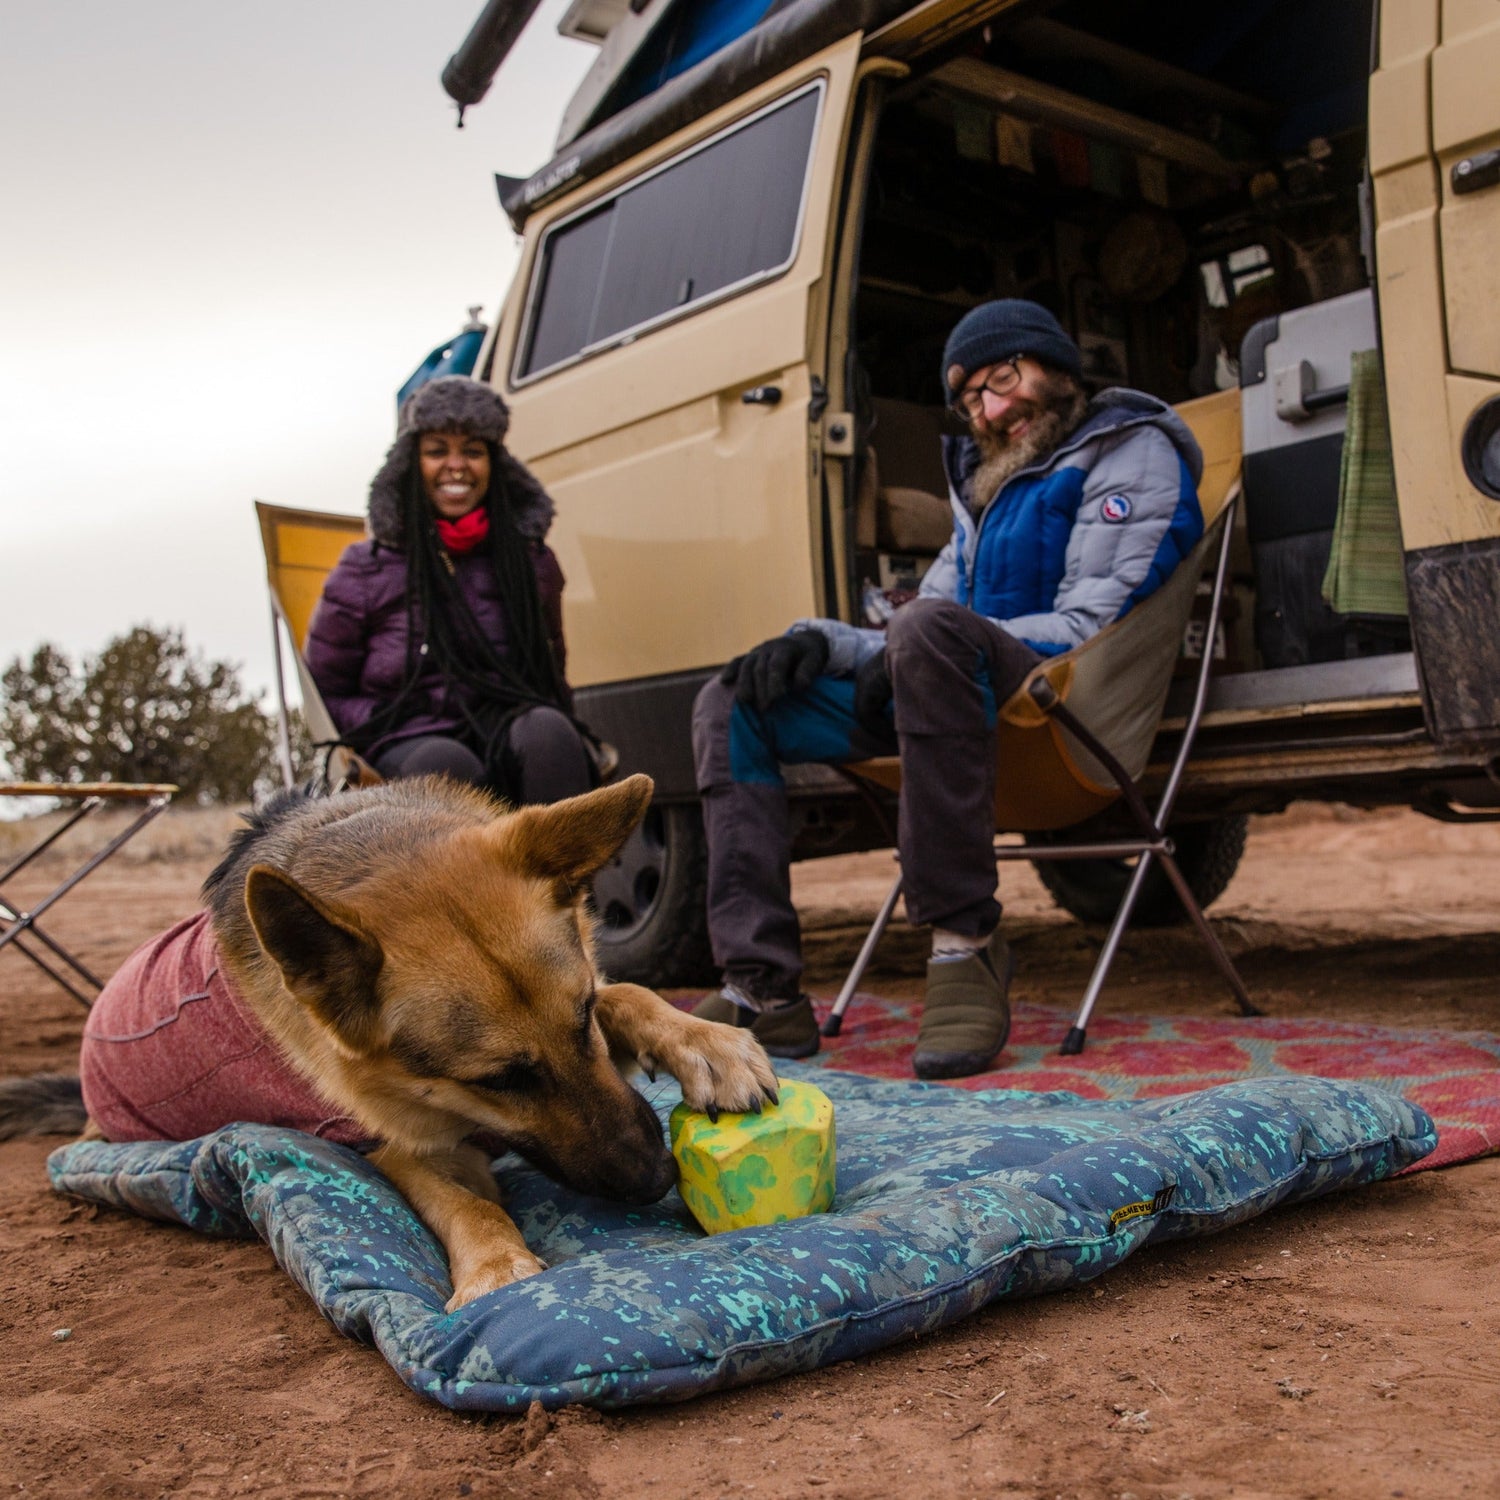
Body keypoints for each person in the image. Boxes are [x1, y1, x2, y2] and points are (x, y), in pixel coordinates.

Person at [691, 299, 1205, 1075]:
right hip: (955, 697)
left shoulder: (1130, 453)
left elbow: (1092, 625)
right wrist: (818, 640)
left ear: (1057, 369)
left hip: (1067, 713)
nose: (994, 410)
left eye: (1006, 378)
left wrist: (916, 642)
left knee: (927, 633)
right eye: (972, 401)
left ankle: (966, 944)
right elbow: (933, 610)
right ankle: (763, 989)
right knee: (734, 700)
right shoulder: (987, 490)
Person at [306, 376, 596, 805]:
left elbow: (550, 669)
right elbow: (325, 690)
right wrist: (386, 719)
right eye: (437, 450)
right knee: (449, 768)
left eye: (473, 451)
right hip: (406, 738)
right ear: (410, 464)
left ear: (495, 466)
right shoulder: (364, 569)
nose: (456, 465)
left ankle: (565, 875)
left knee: (550, 735)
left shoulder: (531, 563)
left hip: (503, 725)